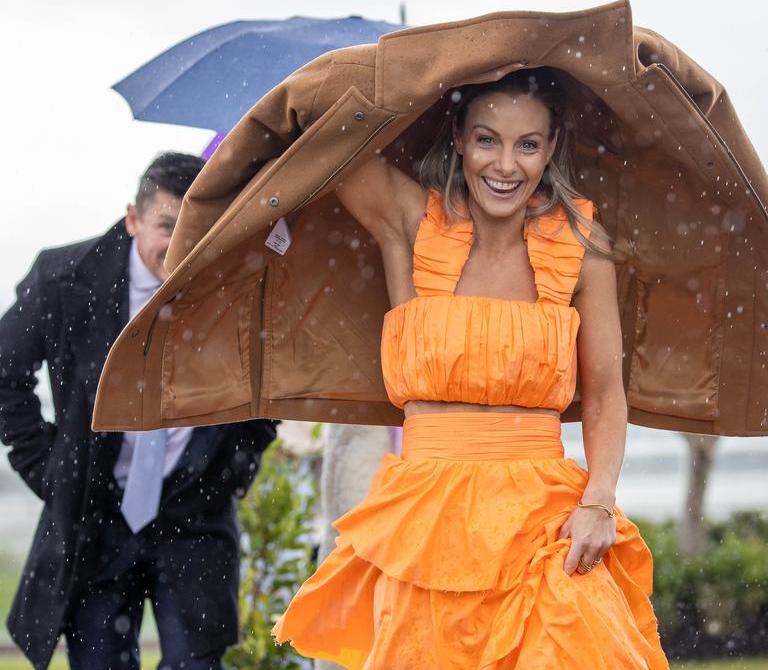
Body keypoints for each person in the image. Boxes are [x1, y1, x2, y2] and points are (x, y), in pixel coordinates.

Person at [271, 68, 670, 668]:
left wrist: (600, 502)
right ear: (457, 136)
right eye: (488, 139)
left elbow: (607, 396)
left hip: (545, 524)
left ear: (552, 146)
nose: (505, 165)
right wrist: (447, 62)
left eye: (527, 144)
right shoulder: (409, 220)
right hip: (427, 523)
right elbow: (318, 119)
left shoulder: (583, 246)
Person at [0, 152, 277, 670]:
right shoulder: (63, 278)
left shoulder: (240, 289)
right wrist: (48, 468)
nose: (179, 246)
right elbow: (4, 373)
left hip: (193, 517)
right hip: (95, 518)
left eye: (192, 229)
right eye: (166, 226)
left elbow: (270, 388)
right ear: (133, 218)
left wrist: (233, 470)